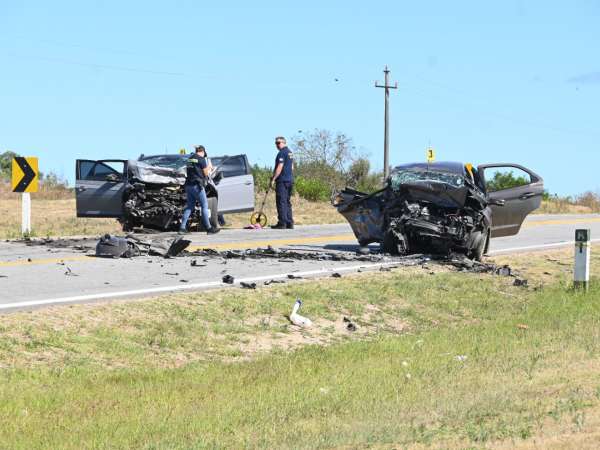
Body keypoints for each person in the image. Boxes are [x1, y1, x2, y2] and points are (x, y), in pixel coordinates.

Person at [179, 145, 220, 235]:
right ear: (203, 151)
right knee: (204, 206)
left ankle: (182, 228)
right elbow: (205, 173)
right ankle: (209, 228)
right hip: (197, 186)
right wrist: (210, 167)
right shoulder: (201, 159)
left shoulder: (190, 159)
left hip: (188, 185)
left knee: (190, 206)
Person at [270, 136, 294, 229]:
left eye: (278, 143)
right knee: (287, 201)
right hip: (289, 180)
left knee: (281, 201)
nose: (277, 145)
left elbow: (279, 167)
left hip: (282, 180)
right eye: (276, 143)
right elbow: (292, 167)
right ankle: (289, 222)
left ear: (284, 142)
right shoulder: (290, 152)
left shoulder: (281, 153)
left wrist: (273, 179)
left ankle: (282, 222)